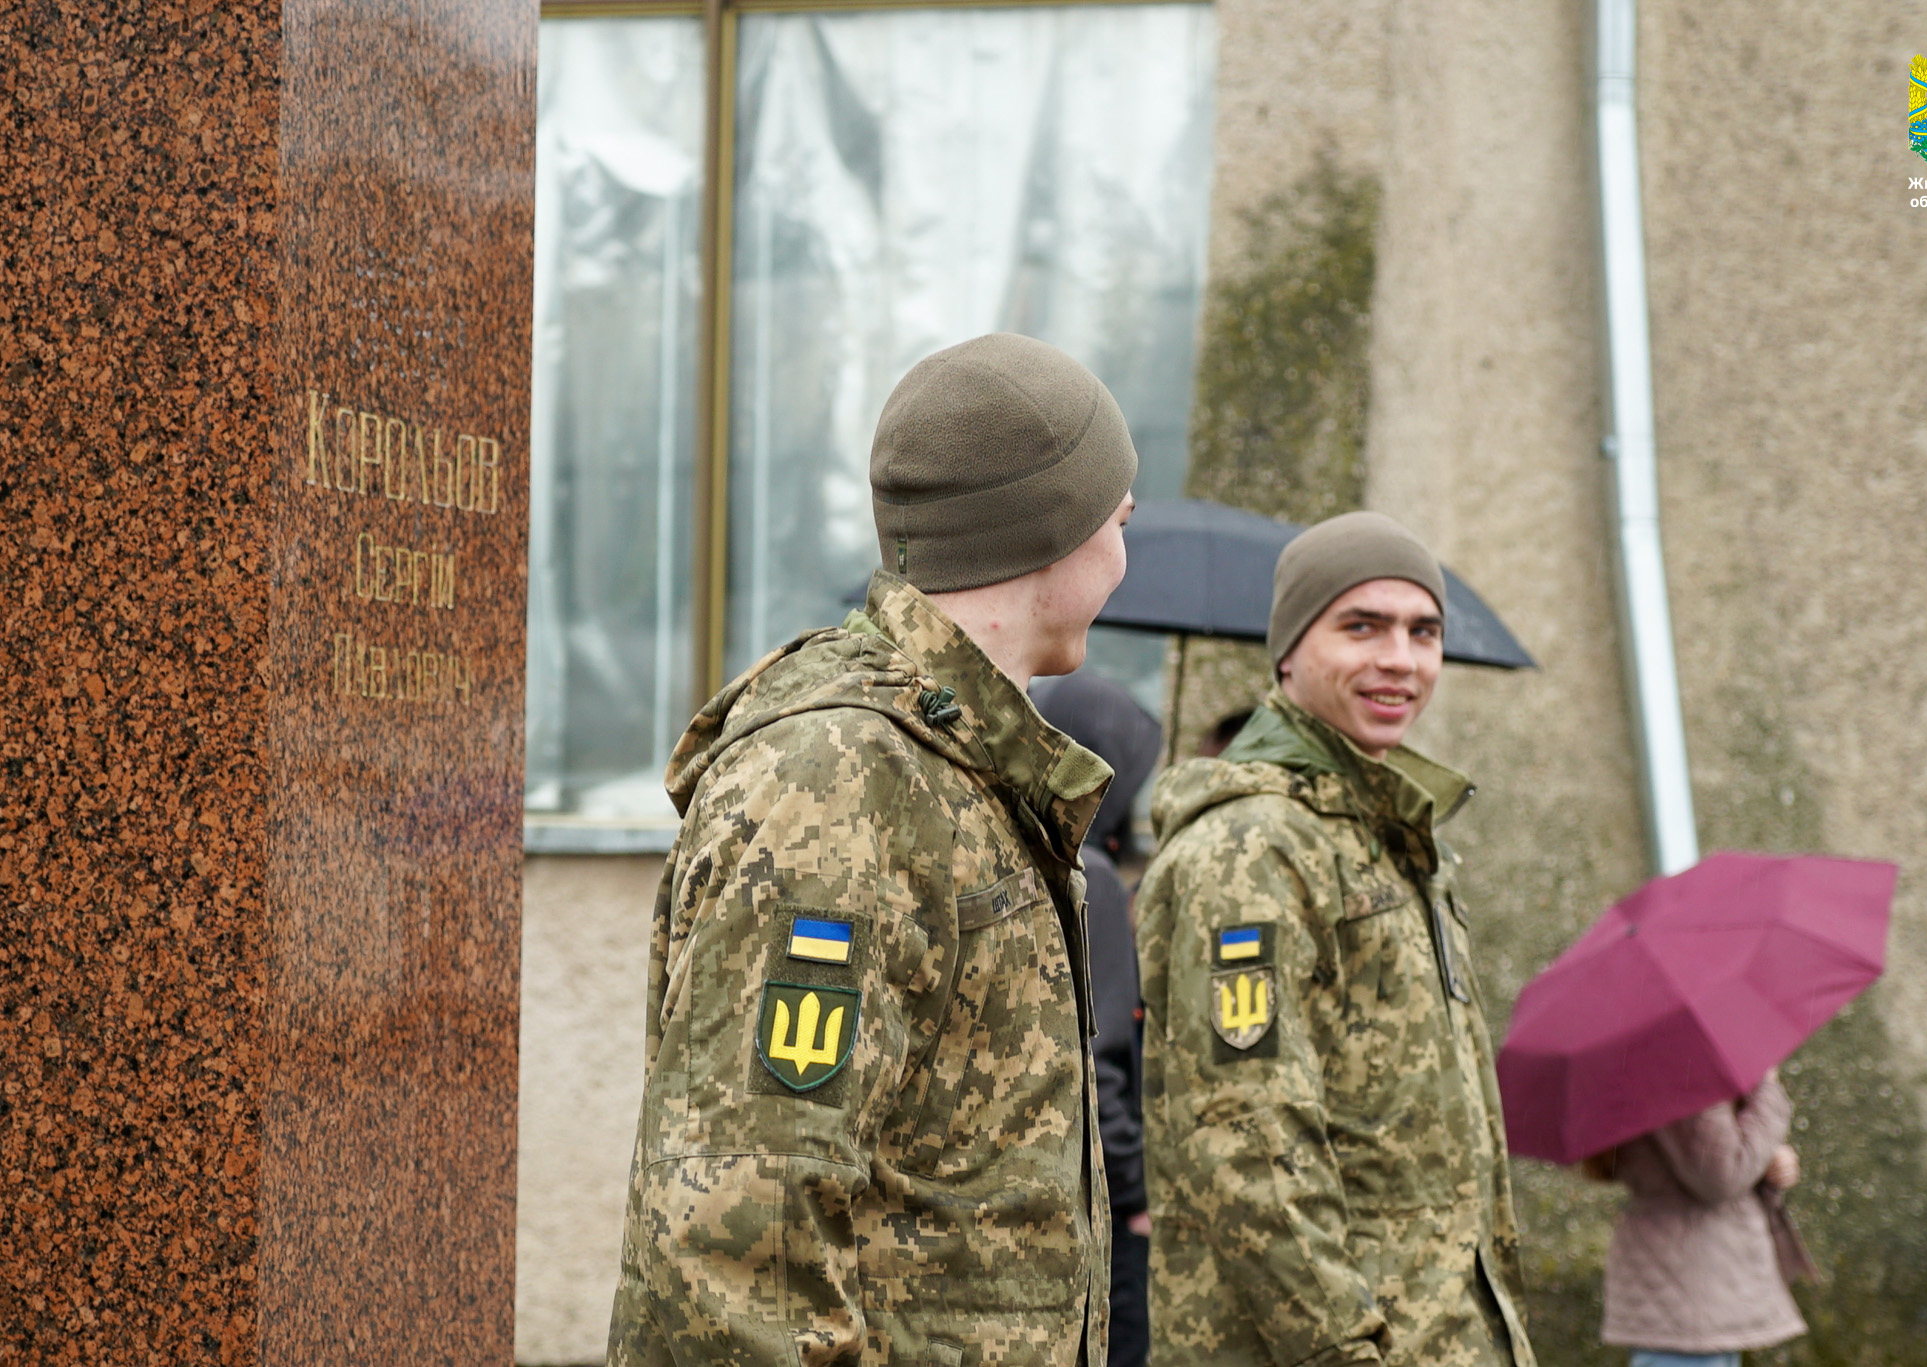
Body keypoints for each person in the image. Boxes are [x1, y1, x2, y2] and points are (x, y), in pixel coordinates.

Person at [609, 332, 1137, 1367]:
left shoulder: (963, 760)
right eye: (1119, 520)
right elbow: (738, 1250)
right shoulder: (841, 778)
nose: (1127, 549)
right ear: (1055, 528)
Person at [1135, 510, 1537, 1367]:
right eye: (1362, 626)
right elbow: (1246, 1140)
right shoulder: (1252, 848)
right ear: (1288, 652)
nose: (1400, 657)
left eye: (1423, 631)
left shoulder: (1393, 835)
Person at [1036, 674, 1166, 1367]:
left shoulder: (1037, 854)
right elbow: (1101, 1055)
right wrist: (1138, 1195)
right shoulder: (1097, 879)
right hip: (1104, 1207)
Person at [1594, 1071, 1811, 1367]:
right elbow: (1722, 1177)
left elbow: (1696, 1165)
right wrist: (1766, 1089)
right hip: (1690, 1286)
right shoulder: (1683, 1076)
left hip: (1691, 1283)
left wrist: (1764, 1162)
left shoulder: (1656, 1073)